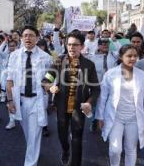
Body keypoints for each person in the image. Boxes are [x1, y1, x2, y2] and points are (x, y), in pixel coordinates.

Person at [42, 30, 100, 166]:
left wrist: (89, 103)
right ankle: (65, 150)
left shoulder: (89, 65)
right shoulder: (59, 61)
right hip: (61, 107)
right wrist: (50, 87)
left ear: (82, 46)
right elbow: (46, 79)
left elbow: (96, 89)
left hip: (79, 109)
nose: (71, 47)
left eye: (75, 45)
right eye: (69, 44)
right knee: (62, 135)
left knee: (77, 139)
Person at [96, 44, 144, 166]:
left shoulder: (142, 76)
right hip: (115, 118)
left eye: (135, 56)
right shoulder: (111, 74)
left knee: (131, 149)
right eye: (129, 56)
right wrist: (100, 116)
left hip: (134, 119)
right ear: (121, 56)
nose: (133, 58)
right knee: (115, 150)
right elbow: (102, 97)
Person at [7, 26, 52, 166]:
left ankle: (30, 162)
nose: (28, 38)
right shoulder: (14, 56)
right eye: (25, 35)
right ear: (21, 38)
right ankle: (34, 151)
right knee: (28, 134)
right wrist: (9, 101)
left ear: (37, 38)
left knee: (33, 134)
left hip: (36, 100)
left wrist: (51, 89)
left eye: (31, 35)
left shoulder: (46, 57)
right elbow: (9, 80)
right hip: (19, 100)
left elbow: (50, 79)